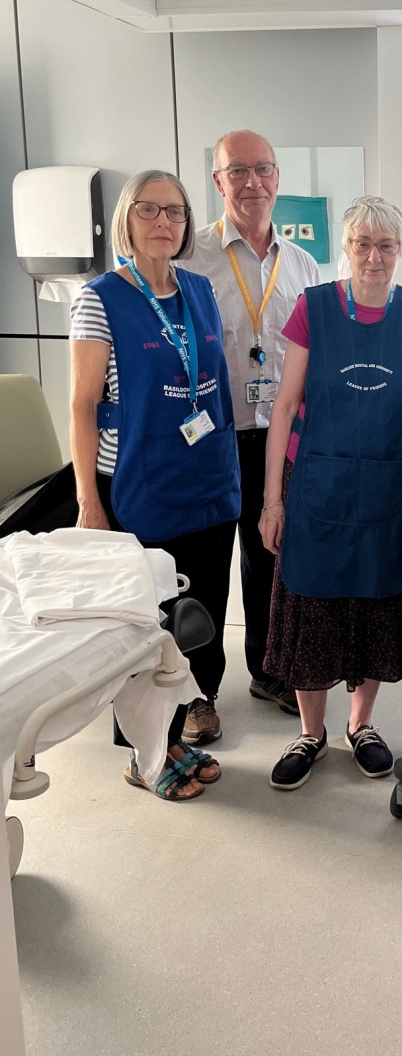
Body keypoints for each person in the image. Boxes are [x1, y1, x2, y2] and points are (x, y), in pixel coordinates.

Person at [259, 196, 402, 790]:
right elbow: (284, 406)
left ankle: (360, 726)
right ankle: (311, 732)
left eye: (386, 245)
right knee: (312, 607)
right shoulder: (312, 308)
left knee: (373, 605)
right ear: (345, 247)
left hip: (390, 485)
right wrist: (272, 500)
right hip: (315, 485)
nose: (373, 256)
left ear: (400, 251)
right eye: (362, 243)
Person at [69, 170, 240, 800]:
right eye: (149, 210)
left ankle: (176, 734)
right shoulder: (100, 297)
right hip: (138, 484)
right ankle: (143, 754)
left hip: (208, 479)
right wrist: (89, 497)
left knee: (200, 617)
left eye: (175, 211)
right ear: (127, 220)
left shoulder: (198, 289)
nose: (163, 222)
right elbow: (83, 405)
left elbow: (214, 382)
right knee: (146, 624)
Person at [179, 129, 319, 742]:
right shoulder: (191, 259)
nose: (251, 182)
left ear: (278, 178)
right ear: (218, 181)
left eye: (262, 169)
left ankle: (270, 669)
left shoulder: (304, 264)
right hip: (209, 436)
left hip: (281, 435)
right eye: (238, 171)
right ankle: (198, 692)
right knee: (204, 563)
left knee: (272, 555)